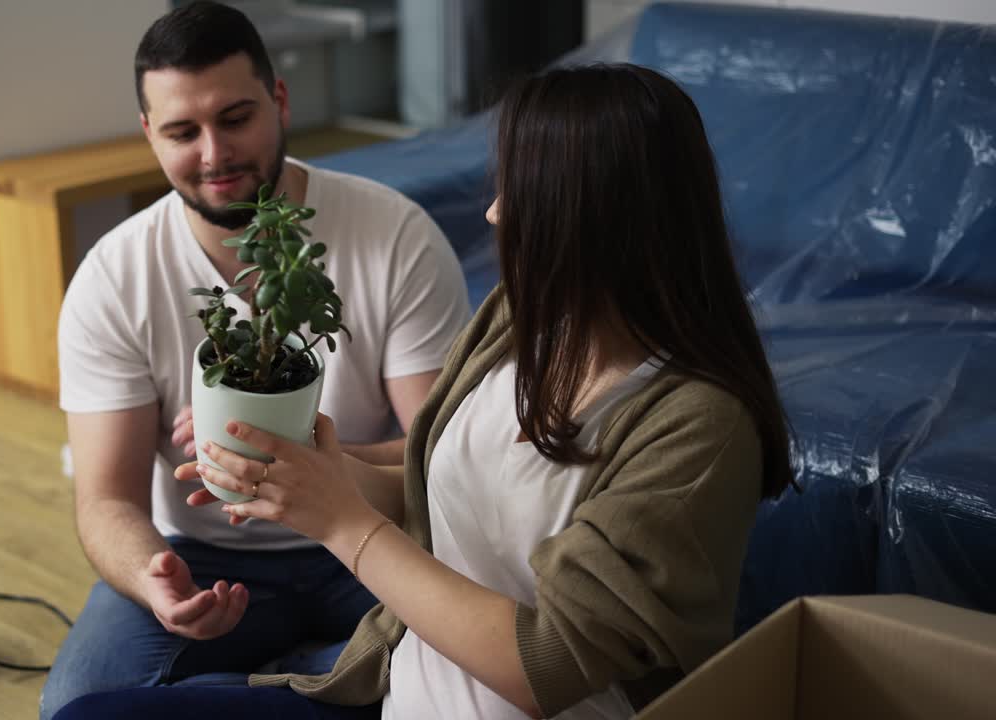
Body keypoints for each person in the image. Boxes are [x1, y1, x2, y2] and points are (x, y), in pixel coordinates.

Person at [157, 64, 796, 720]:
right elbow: (439, 491)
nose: (495, 210)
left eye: (519, 188)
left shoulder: (701, 426)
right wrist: (298, 479)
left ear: (596, 213)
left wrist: (340, 522)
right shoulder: (520, 321)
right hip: (397, 690)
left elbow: (549, 664)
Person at [39, 2, 471, 718]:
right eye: (183, 132)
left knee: (457, 682)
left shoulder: (393, 235)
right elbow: (106, 500)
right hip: (207, 556)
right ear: (150, 135)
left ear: (279, 100)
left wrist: (308, 467)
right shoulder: (114, 276)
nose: (214, 155)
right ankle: (307, 680)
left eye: (235, 118)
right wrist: (156, 581)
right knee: (79, 705)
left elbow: (441, 449)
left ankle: (287, 682)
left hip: (372, 538)